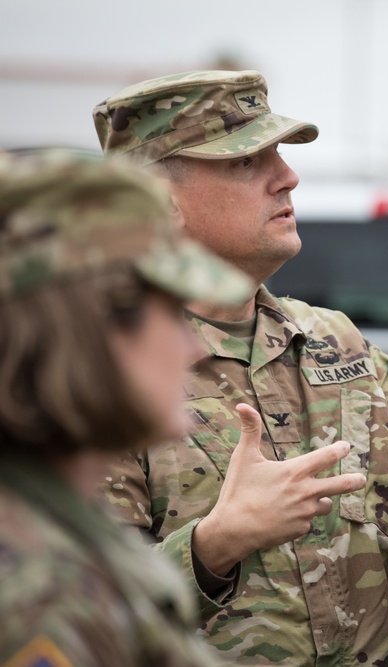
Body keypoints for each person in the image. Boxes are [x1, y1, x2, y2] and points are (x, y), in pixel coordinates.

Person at [92, 69, 388, 666]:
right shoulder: (94, 378)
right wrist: (213, 546)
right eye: (247, 161)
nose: (288, 176)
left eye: (278, 153)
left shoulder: (337, 345)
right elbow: (83, 625)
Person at [0, 150, 254, 665]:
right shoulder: (42, 594)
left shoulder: (56, 530)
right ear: (95, 331)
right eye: (170, 314)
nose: (194, 348)